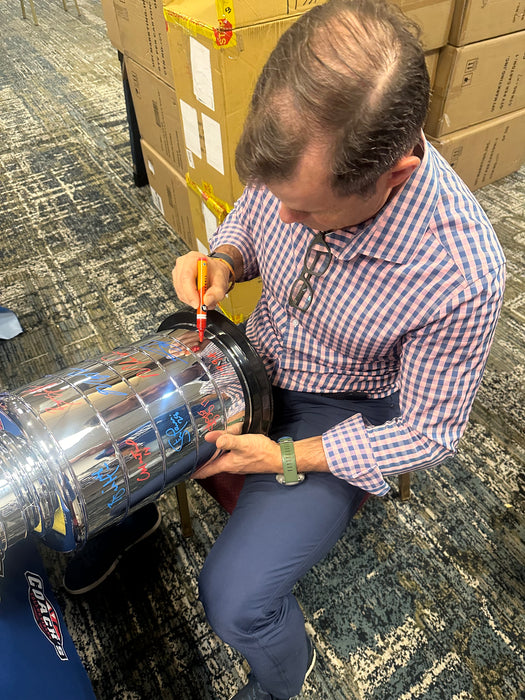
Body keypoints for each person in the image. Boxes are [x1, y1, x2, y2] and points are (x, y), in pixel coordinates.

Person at [65, 1, 505, 698]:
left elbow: (430, 431)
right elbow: (256, 207)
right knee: (96, 433)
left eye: (306, 211)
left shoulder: (460, 272)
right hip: (252, 356)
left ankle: (280, 684)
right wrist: (227, 258)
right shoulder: (303, 152)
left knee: (235, 601)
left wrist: (290, 457)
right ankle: (133, 516)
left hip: (337, 410)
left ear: (390, 175)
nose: (286, 219)